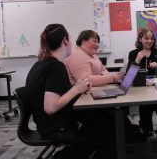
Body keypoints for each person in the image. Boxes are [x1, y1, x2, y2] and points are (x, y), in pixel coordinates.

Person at [25, 24, 115, 158]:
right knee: (106, 128)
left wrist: (78, 88)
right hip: (57, 128)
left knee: (102, 118)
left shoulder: (40, 63)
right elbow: (50, 107)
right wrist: (77, 89)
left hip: (46, 124)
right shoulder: (55, 67)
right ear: (65, 41)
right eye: (70, 40)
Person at [127, 28, 157, 136]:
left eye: (152, 39)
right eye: (146, 38)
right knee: (146, 108)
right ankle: (145, 127)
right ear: (140, 39)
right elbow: (129, 76)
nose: (149, 41)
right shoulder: (133, 53)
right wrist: (137, 60)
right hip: (142, 89)